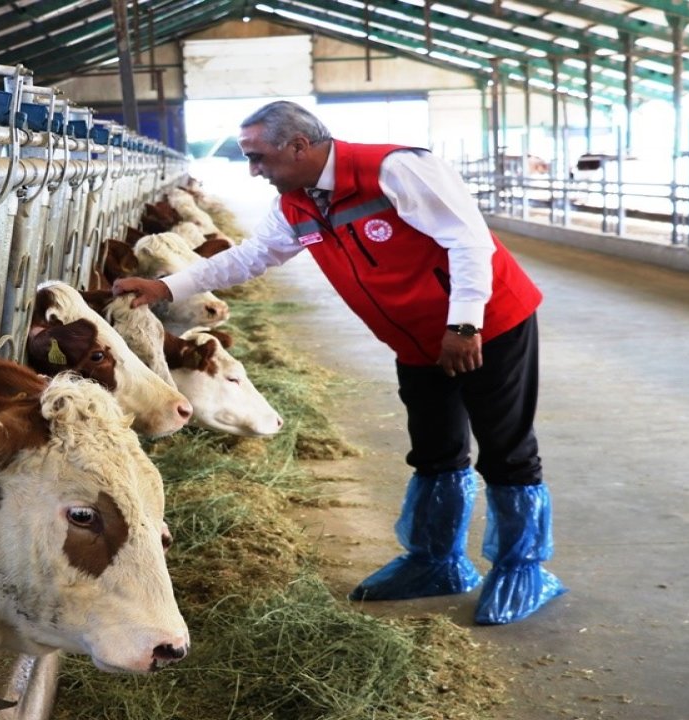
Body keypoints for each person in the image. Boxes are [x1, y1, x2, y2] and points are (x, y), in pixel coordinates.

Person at [113, 100, 565, 625]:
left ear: (299, 146)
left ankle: (523, 567)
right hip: (417, 340)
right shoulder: (296, 204)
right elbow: (249, 257)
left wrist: (464, 325)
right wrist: (165, 285)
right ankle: (436, 560)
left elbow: (468, 241)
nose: (254, 170)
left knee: (504, 443)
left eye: (259, 157)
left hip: (489, 325)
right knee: (435, 446)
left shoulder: (395, 169)